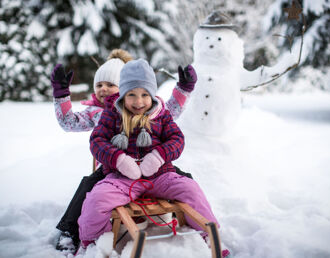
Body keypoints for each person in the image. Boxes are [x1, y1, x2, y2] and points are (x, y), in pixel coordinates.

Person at [50, 49, 196, 253]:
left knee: (185, 179)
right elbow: (69, 122)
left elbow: (170, 111)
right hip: (112, 169)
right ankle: (69, 231)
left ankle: (186, 218)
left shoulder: (144, 105)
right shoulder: (97, 113)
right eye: (99, 85)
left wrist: (183, 89)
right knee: (88, 186)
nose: (103, 89)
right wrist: (62, 95)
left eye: (110, 85)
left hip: (151, 167)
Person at [78, 59, 227, 256]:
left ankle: (208, 234)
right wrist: (119, 160)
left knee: (190, 189)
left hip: (160, 176)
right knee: (97, 199)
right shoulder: (112, 114)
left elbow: (177, 139)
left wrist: (158, 156)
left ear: (152, 95)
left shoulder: (161, 114)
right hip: (122, 179)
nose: (138, 102)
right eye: (131, 95)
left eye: (144, 95)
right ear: (122, 95)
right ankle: (93, 242)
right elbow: (97, 141)